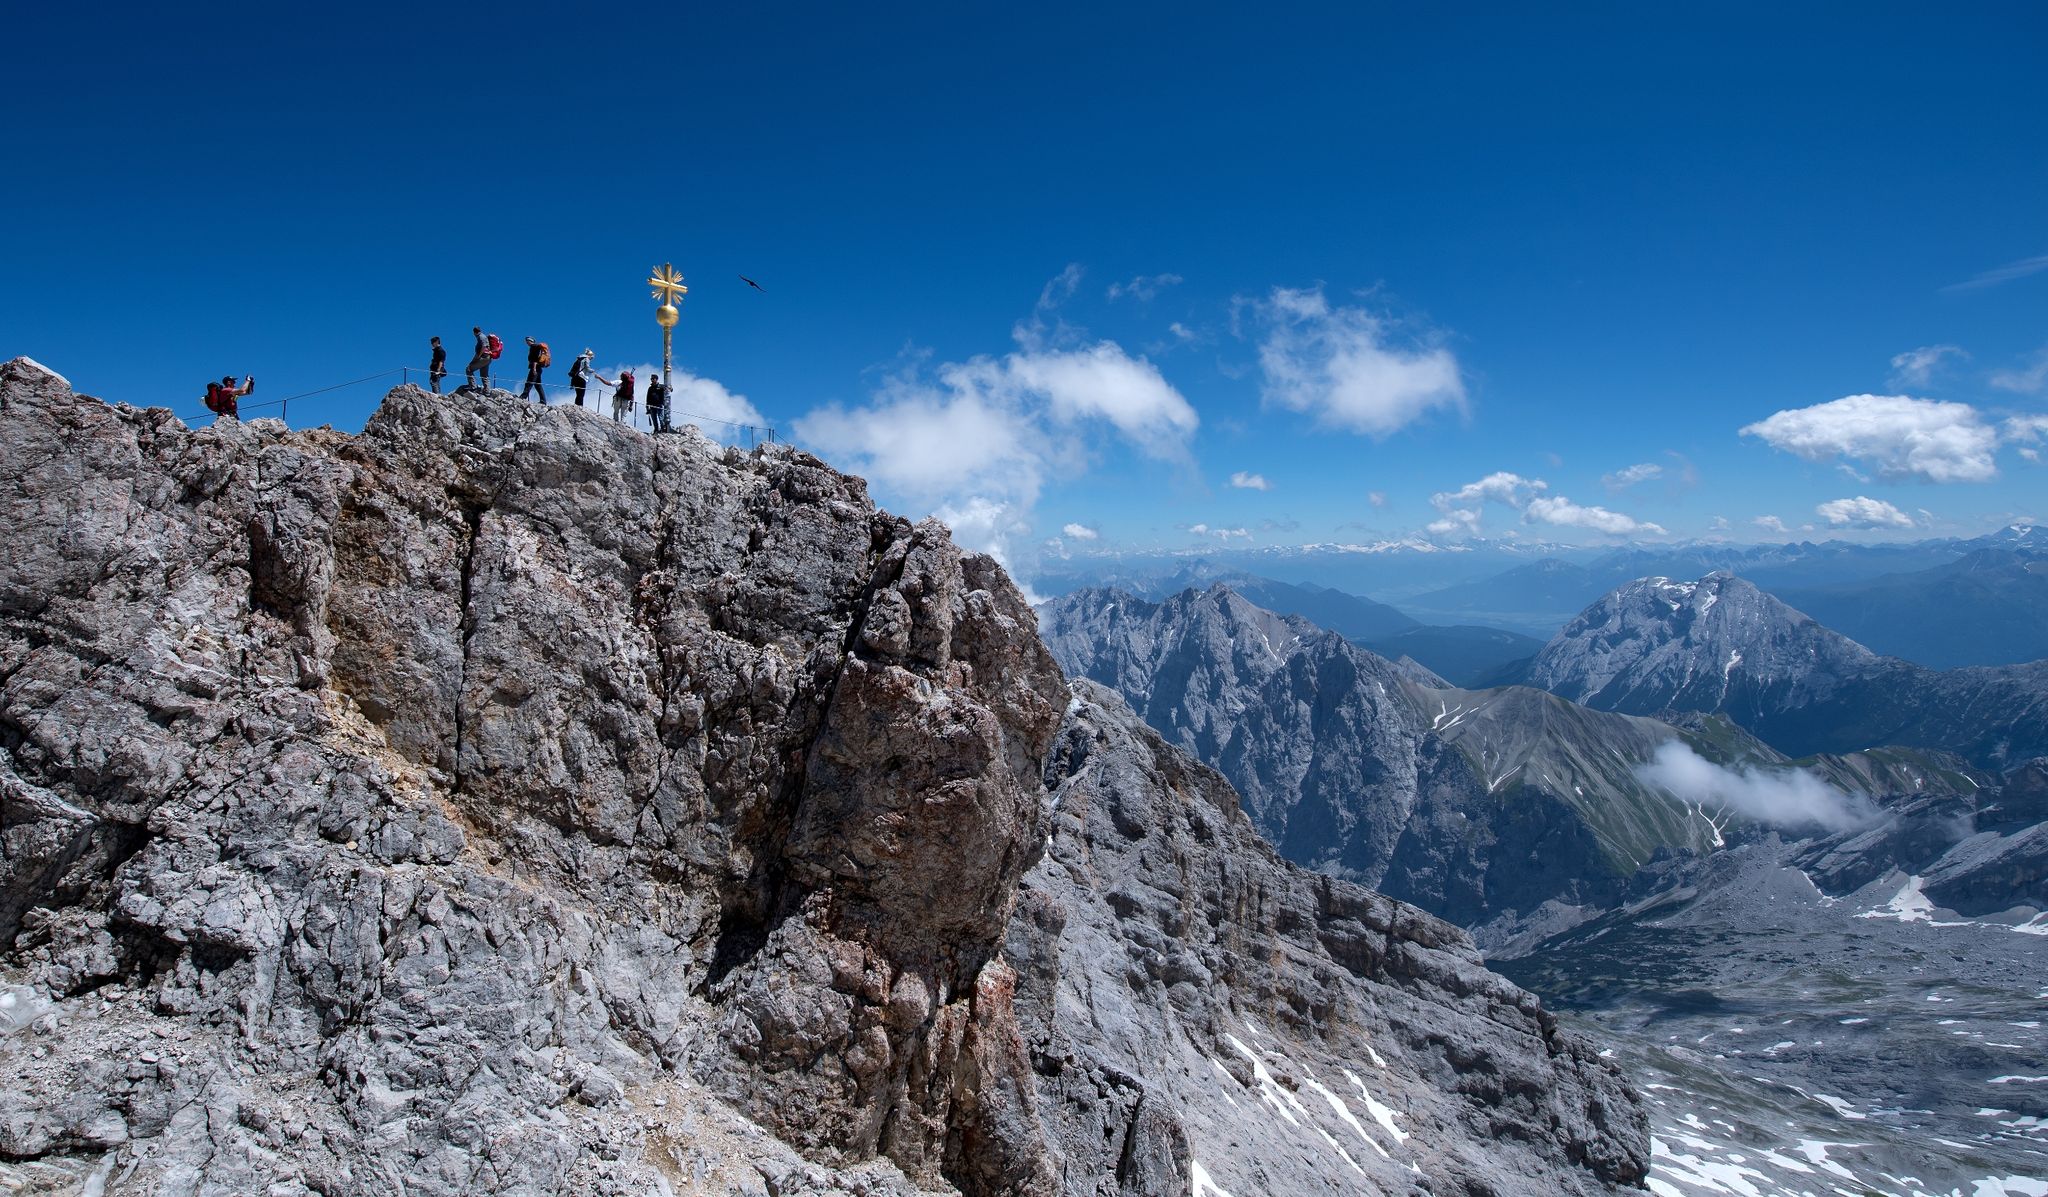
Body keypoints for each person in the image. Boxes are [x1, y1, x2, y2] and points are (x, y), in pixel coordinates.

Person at [520, 337, 550, 402]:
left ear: (529, 341)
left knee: (529, 382)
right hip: (539, 369)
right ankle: (543, 401)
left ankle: (523, 397)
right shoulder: (537, 347)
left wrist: (534, 369)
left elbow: (534, 359)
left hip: (535, 368)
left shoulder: (533, 347)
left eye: (527, 341)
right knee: (538, 385)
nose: (526, 342)